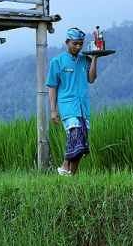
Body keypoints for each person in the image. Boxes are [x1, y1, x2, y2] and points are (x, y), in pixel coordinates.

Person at [46, 27, 98, 176]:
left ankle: (69, 175)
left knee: (82, 142)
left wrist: (94, 58)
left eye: (80, 44)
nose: (78, 47)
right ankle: (64, 165)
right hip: (67, 106)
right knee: (76, 135)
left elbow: (91, 79)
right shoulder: (57, 62)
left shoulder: (85, 60)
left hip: (83, 106)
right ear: (67, 42)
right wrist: (53, 110)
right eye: (75, 43)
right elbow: (53, 87)